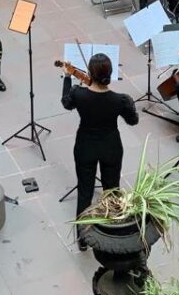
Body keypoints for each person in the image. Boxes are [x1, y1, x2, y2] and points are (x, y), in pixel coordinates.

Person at [61, 53, 138, 250]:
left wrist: (68, 77)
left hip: (85, 145)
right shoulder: (119, 100)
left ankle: (83, 238)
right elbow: (133, 121)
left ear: (89, 74)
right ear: (110, 75)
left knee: (84, 191)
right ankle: (113, 232)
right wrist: (131, 106)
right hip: (111, 146)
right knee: (112, 190)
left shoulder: (79, 94)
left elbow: (66, 103)